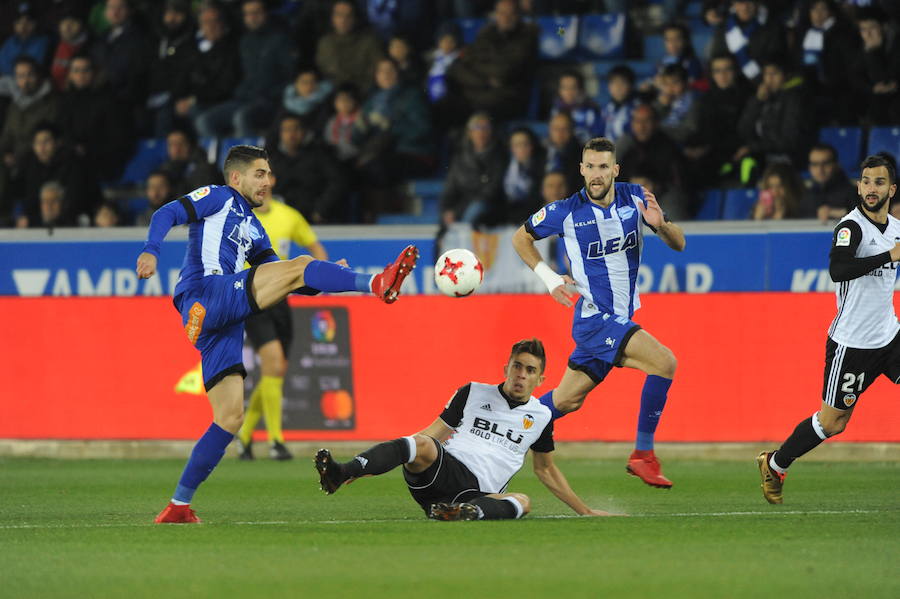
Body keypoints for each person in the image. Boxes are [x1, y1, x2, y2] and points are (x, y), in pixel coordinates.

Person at [136, 144, 420, 523]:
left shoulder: (254, 228)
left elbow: (288, 280)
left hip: (219, 320)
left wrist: (321, 275)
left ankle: (178, 506)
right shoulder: (218, 197)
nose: (267, 181)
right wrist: (151, 250)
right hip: (205, 293)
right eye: (259, 174)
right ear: (236, 177)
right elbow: (167, 211)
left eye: (269, 174)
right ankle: (375, 282)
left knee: (230, 417)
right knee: (300, 265)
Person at [512, 137, 686, 488]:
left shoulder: (636, 197)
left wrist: (661, 224)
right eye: (590, 166)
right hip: (594, 320)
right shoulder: (565, 211)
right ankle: (643, 455)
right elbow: (520, 238)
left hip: (620, 319)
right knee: (664, 362)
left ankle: (504, 428)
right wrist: (548, 279)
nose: (596, 174)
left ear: (615, 170)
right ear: (581, 169)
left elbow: (679, 243)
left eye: (603, 167)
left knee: (566, 400)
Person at [315, 338, 615, 520]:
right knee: (420, 443)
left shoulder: (541, 417)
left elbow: (546, 470)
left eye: (530, 370)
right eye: (517, 366)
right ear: (506, 369)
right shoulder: (473, 392)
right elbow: (433, 433)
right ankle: (341, 473)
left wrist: (584, 510)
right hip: (445, 471)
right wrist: (366, 468)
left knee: (524, 501)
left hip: (480, 494)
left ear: (541, 380)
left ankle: (465, 514)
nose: (521, 375)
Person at [757, 153, 900, 504]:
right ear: (858, 185)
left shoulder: (896, 229)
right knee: (833, 423)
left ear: (892, 189)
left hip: (890, 335)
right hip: (851, 345)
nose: (871, 188)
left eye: (879, 182)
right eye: (866, 181)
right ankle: (776, 463)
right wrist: (889, 256)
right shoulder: (851, 227)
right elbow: (839, 269)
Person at [236, 173, 331, 461]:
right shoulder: (241, 218)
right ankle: (276, 441)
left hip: (282, 300)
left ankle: (244, 434)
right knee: (274, 362)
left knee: (274, 371)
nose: (261, 183)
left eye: (265, 176)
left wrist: (328, 273)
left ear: (272, 181)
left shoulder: (289, 217)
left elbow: (314, 246)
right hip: (253, 297)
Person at [807, 143, 857, 223]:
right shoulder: (806, 195)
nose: (820, 170)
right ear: (809, 167)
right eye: (815, 164)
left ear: (836, 165)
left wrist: (837, 213)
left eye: (826, 163)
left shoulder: (853, 193)